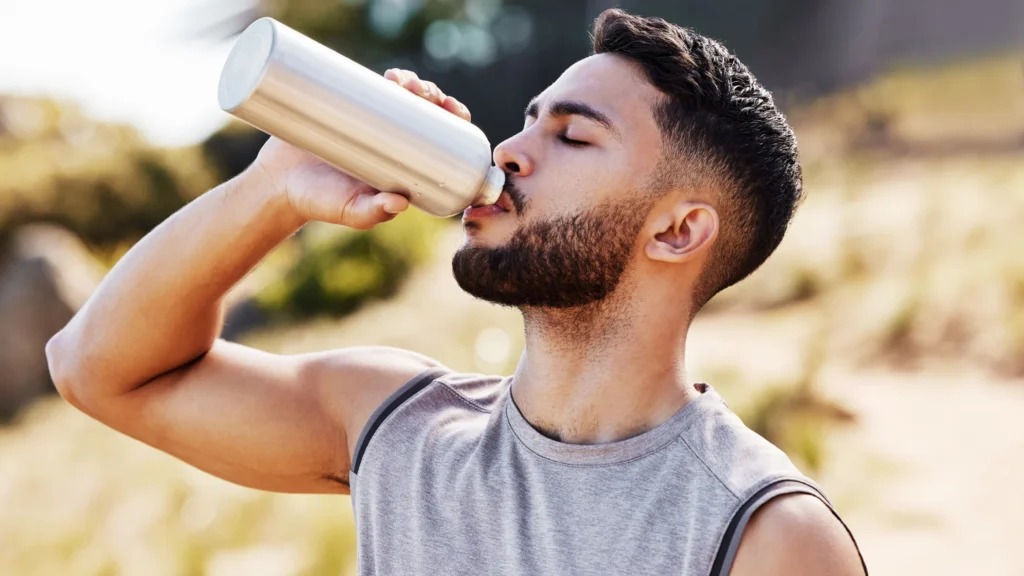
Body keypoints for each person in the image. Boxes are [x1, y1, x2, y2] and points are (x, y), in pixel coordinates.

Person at [46, 8, 866, 576]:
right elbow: (94, 367)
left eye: (573, 135)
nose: (508, 148)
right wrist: (274, 189)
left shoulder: (762, 533)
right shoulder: (393, 424)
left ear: (678, 232)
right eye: (529, 119)